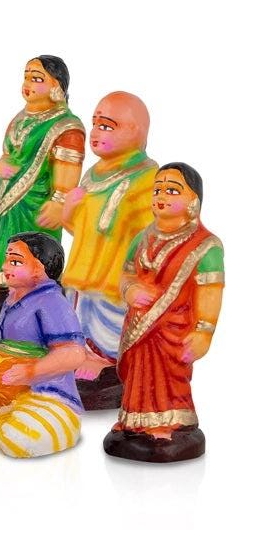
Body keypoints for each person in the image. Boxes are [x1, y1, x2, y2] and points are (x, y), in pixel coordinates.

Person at [105, 163, 224, 462]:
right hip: (139, 325)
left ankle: (172, 422)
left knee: (169, 375)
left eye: (172, 190)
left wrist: (204, 331)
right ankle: (133, 421)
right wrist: (130, 290)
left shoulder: (206, 246)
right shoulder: (142, 237)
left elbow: (210, 292)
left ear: (194, 201)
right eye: (157, 189)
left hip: (175, 328)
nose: (161, 196)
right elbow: (126, 274)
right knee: (138, 374)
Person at [0, 232, 87, 457]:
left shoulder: (51, 302)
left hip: (45, 391)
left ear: (40, 268)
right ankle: (0, 421)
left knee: (19, 436)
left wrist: (30, 372)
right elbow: (4, 345)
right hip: (9, 392)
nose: (5, 267)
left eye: (15, 262)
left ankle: (28, 423)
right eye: (6, 260)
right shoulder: (13, 298)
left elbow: (74, 353)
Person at [60, 91, 158, 407]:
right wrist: (69, 208)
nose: (96, 132)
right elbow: (75, 227)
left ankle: (106, 360)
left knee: (109, 320)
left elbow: (151, 234)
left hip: (115, 275)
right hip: (82, 266)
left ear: (135, 132)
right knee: (77, 312)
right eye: (95, 124)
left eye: (107, 126)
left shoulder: (147, 178)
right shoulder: (92, 174)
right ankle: (78, 353)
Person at [0, 56, 85, 273]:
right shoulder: (22, 117)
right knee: (5, 253)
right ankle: (2, 284)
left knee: (33, 256)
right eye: (26, 77)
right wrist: (1, 164)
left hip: (38, 205)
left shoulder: (66, 126)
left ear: (57, 87)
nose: (28, 83)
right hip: (10, 201)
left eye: (37, 79)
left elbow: (68, 171)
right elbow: (9, 153)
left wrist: (59, 203)